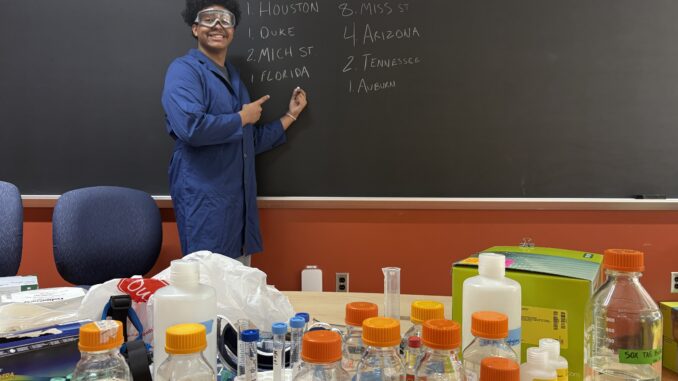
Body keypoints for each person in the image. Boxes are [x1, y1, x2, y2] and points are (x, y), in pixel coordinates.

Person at [161, 0, 308, 265]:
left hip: (238, 209)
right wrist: (242, 117)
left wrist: (291, 115)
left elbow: (246, 142)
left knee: (238, 293)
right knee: (207, 290)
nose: (218, 25)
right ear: (195, 28)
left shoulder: (234, 78)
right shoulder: (184, 70)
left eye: (225, 19)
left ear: (233, 30)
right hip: (205, 206)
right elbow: (190, 127)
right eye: (209, 18)